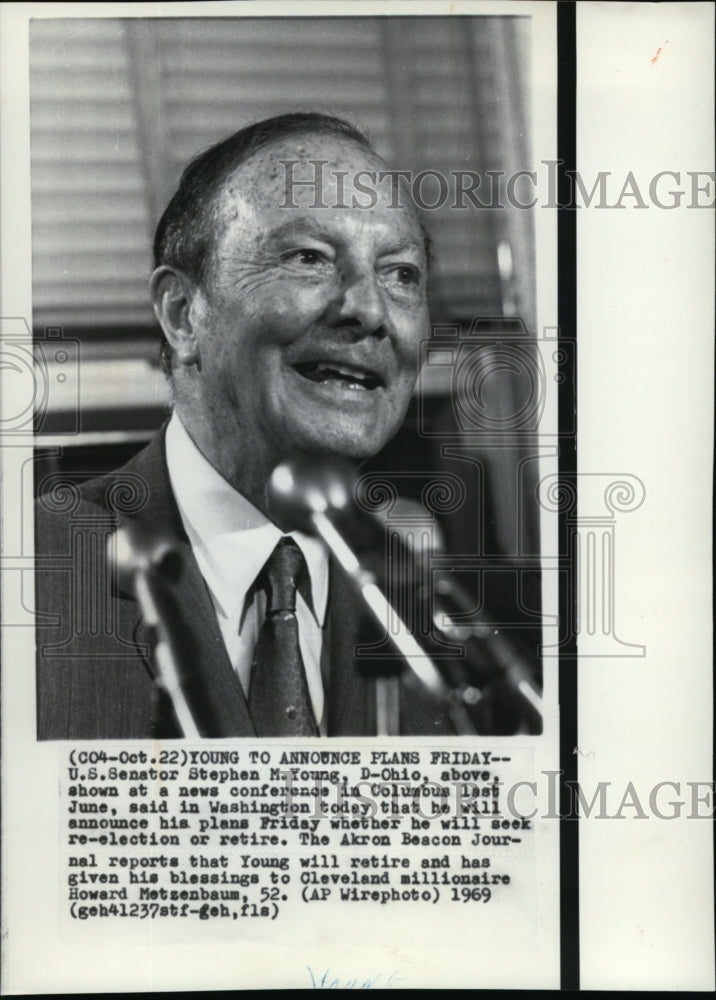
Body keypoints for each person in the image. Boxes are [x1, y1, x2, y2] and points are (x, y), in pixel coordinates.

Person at [35, 112, 456, 740]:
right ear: (183, 314)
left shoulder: (426, 601)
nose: (370, 309)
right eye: (309, 257)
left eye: (401, 273)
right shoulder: (33, 575)